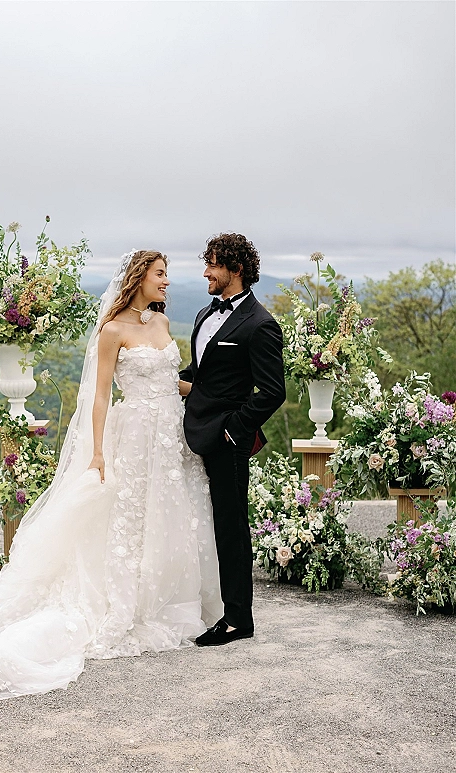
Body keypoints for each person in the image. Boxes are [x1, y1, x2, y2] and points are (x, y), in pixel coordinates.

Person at [0, 250, 222, 702]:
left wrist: (220, 391)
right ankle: (128, 603)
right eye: (161, 275)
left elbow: (170, 380)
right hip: (134, 435)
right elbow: (98, 397)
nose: (167, 282)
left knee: (172, 514)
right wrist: (98, 452)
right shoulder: (111, 331)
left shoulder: (161, 324)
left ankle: (168, 597)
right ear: (139, 278)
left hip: (171, 433)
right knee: (131, 518)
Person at [180, 234, 286, 647]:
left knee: (230, 525)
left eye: (212, 264)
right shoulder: (206, 313)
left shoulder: (261, 324)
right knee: (206, 520)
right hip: (196, 429)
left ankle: (239, 618)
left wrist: (235, 428)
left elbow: (272, 391)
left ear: (235, 269)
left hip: (228, 438)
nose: (205, 272)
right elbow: (203, 372)